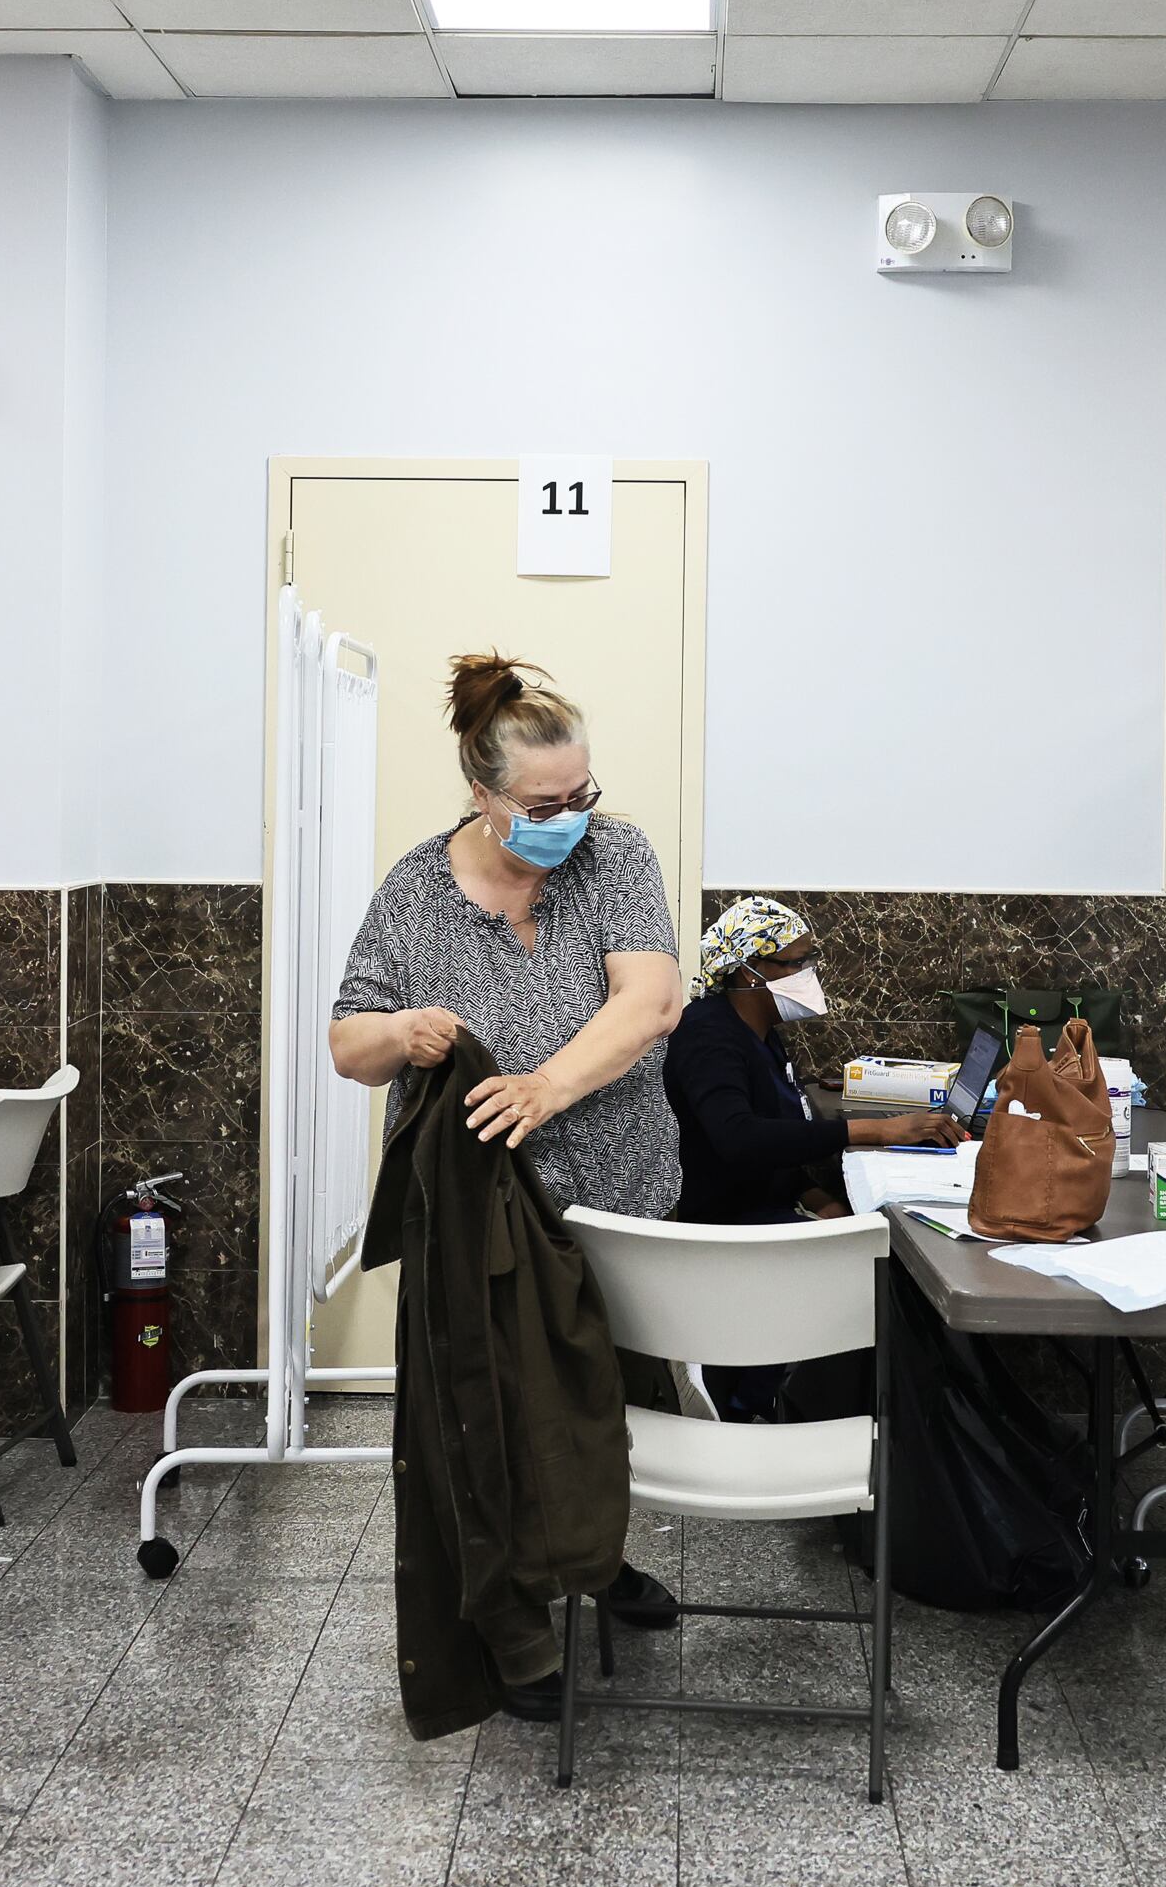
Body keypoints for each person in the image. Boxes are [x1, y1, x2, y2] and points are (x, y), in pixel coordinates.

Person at [330, 653, 684, 1709]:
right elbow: (351, 1043)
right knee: (492, 1423)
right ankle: (516, 1629)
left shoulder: (614, 856)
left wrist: (544, 1086)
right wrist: (400, 1030)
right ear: (482, 795)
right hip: (483, 1224)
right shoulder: (416, 889)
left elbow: (651, 1001)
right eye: (542, 802)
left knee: (605, 1404)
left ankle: (596, 1559)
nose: (567, 815)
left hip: (620, 1191)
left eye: (581, 794)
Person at [667, 897, 959, 1420]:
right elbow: (738, 1139)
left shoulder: (763, 1036)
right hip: (723, 1225)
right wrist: (874, 1131)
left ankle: (895, 1415)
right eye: (796, 962)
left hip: (760, 1205)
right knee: (880, 1274)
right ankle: (760, 1404)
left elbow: (779, 1134)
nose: (808, 974)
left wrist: (814, 1195)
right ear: (750, 971)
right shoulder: (707, 1034)